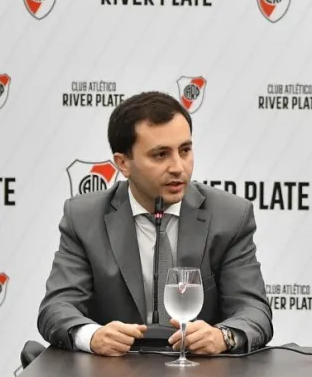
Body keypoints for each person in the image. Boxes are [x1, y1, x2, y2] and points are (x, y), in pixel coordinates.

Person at [37, 91, 273, 357]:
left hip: (201, 374)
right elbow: (56, 308)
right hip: (114, 373)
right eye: (161, 155)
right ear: (123, 164)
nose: (178, 167)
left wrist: (224, 336)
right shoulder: (83, 218)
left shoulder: (229, 216)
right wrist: (92, 336)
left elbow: (254, 311)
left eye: (185, 150)